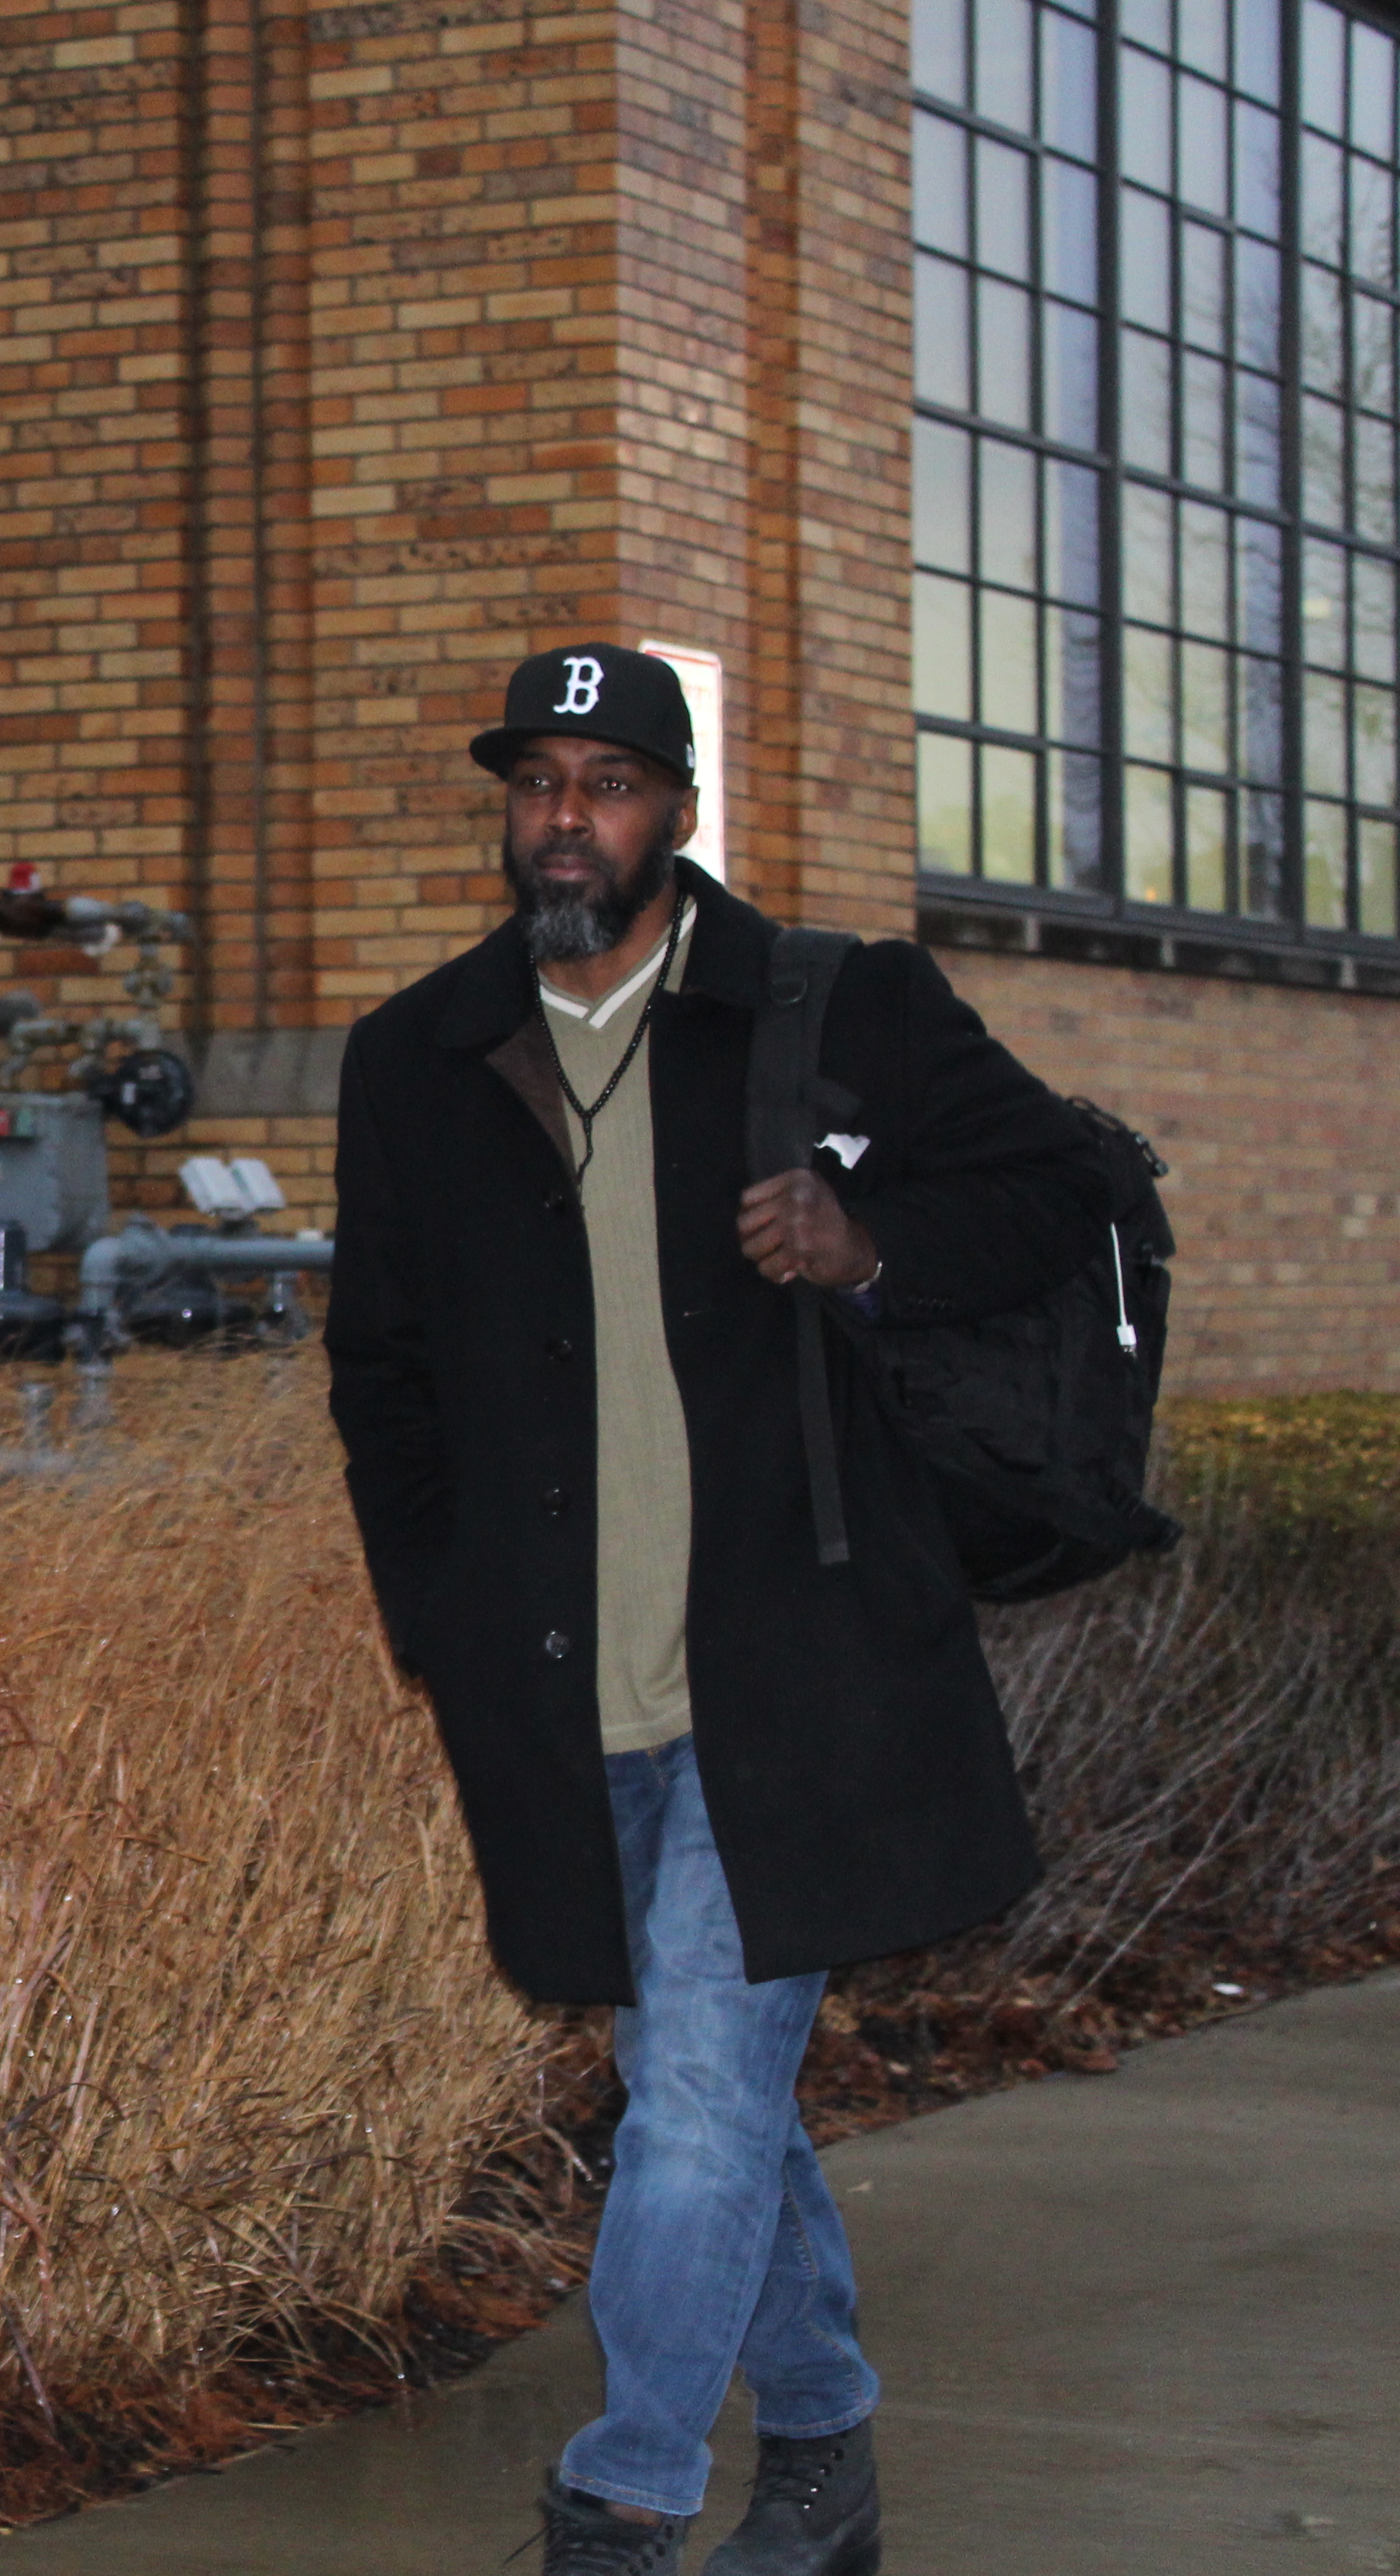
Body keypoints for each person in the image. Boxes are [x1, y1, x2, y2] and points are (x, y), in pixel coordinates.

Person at [321, 645, 1105, 2576]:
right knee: (705, 2087)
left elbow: (1065, 1192)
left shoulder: (841, 1011)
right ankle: (826, 2451)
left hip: (798, 1671)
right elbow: (382, 1373)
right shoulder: (416, 1056)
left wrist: (871, 1242)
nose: (562, 816)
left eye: (604, 780)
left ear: (675, 811)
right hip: (556, 1680)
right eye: (534, 781)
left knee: (688, 2082)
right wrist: (438, 1611)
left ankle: (625, 2495)